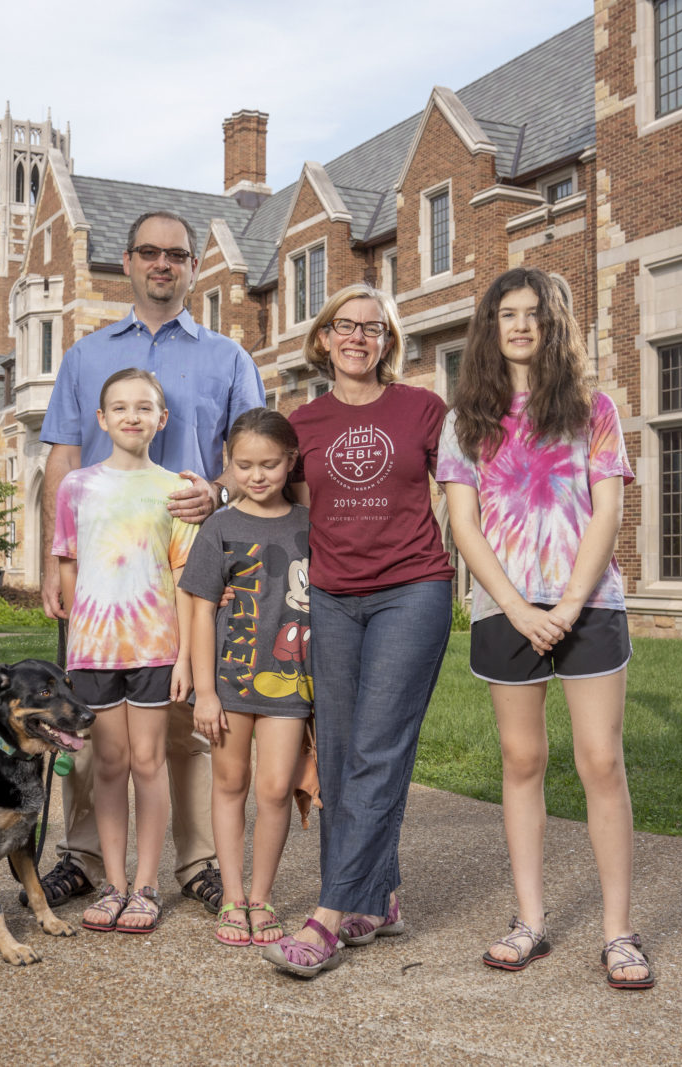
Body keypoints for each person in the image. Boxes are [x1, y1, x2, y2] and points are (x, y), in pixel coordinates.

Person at [35, 210, 266, 914]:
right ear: (127, 262)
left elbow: (253, 452)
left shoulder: (229, 358)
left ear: (193, 266)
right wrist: (52, 560)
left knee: (190, 716)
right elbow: (64, 456)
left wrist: (219, 489)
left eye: (177, 254)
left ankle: (194, 859)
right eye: (149, 253)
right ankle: (82, 856)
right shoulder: (85, 356)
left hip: (192, 562)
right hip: (104, 573)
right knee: (89, 726)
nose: (163, 264)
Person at [436, 267, 651, 990]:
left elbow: (609, 512)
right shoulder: (464, 420)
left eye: (533, 314)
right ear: (490, 327)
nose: (521, 325)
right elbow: (464, 526)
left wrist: (565, 606)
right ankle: (530, 919)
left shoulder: (593, 410)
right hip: (506, 610)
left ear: (554, 324)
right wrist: (521, 608)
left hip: (589, 609)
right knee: (522, 761)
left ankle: (618, 931)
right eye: (507, 315)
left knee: (600, 761)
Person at [262, 283, 454, 978]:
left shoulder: (424, 409)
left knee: (377, 745)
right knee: (341, 754)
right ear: (323, 338)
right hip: (334, 598)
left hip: (413, 589)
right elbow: (274, 500)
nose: (358, 337)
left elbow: (470, 487)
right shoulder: (302, 423)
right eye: (346, 326)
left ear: (388, 341)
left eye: (374, 328)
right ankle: (381, 896)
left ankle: (329, 915)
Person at [53, 368, 197, 934]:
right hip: (94, 652)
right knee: (108, 765)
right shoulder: (76, 487)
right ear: (102, 419)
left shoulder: (177, 489)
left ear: (161, 420)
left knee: (148, 762)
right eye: (119, 407)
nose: (132, 415)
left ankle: (146, 886)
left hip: (155, 648)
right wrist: (74, 648)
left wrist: (185, 657)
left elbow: (184, 576)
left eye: (144, 407)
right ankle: (112, 883)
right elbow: (68, 567)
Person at [180, 408, 312, 947]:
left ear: (290, 462)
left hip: (290, 683)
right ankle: (232, 897)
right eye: (244, 466)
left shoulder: (308, 525)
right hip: (231, 686)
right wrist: (205, 693)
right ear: (227, 467)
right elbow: (202, 610)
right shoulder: (219, 527)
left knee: (276, 788)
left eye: (270, 465)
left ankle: (262, 896)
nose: (257, 476)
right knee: (230, 784)